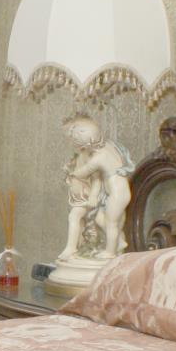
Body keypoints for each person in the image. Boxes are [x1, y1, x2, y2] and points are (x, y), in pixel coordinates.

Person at [58, 113, 132, 265]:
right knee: (101, 219)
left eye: (81, 144)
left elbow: (84, 172)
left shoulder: (99, 157)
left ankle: (110, 252)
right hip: (114, 193)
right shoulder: (108, 147)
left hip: (117, 194)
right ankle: (119, 242)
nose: (80, 148)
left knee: (111, 222)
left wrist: (71, 174)